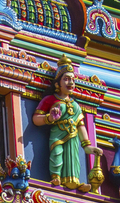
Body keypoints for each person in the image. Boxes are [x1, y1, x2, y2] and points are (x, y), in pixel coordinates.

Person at [31, 58, 101, 191]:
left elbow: (81, 125)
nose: (71, 83)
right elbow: (35, 119)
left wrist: (87, 146)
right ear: (58, 83)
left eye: (73, 80)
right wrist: (49, 118)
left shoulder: (75, 105)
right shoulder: (50, 99)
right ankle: (56, 177)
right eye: (67, 79)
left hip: (73, 136)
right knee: (57, 154)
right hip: (57, 134)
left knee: (73, 159)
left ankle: (74, 181)